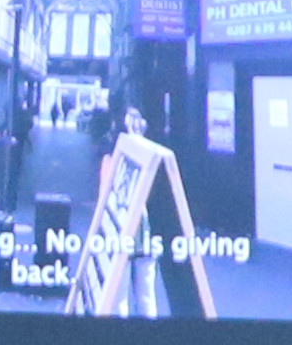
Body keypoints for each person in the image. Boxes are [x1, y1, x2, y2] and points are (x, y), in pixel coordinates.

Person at [75, 103, 204, 321]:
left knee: (120, 293)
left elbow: (105, 189)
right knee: (146, 292)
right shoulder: (153, 152)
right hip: (145, 231)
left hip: (119, 226)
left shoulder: (114, 148)